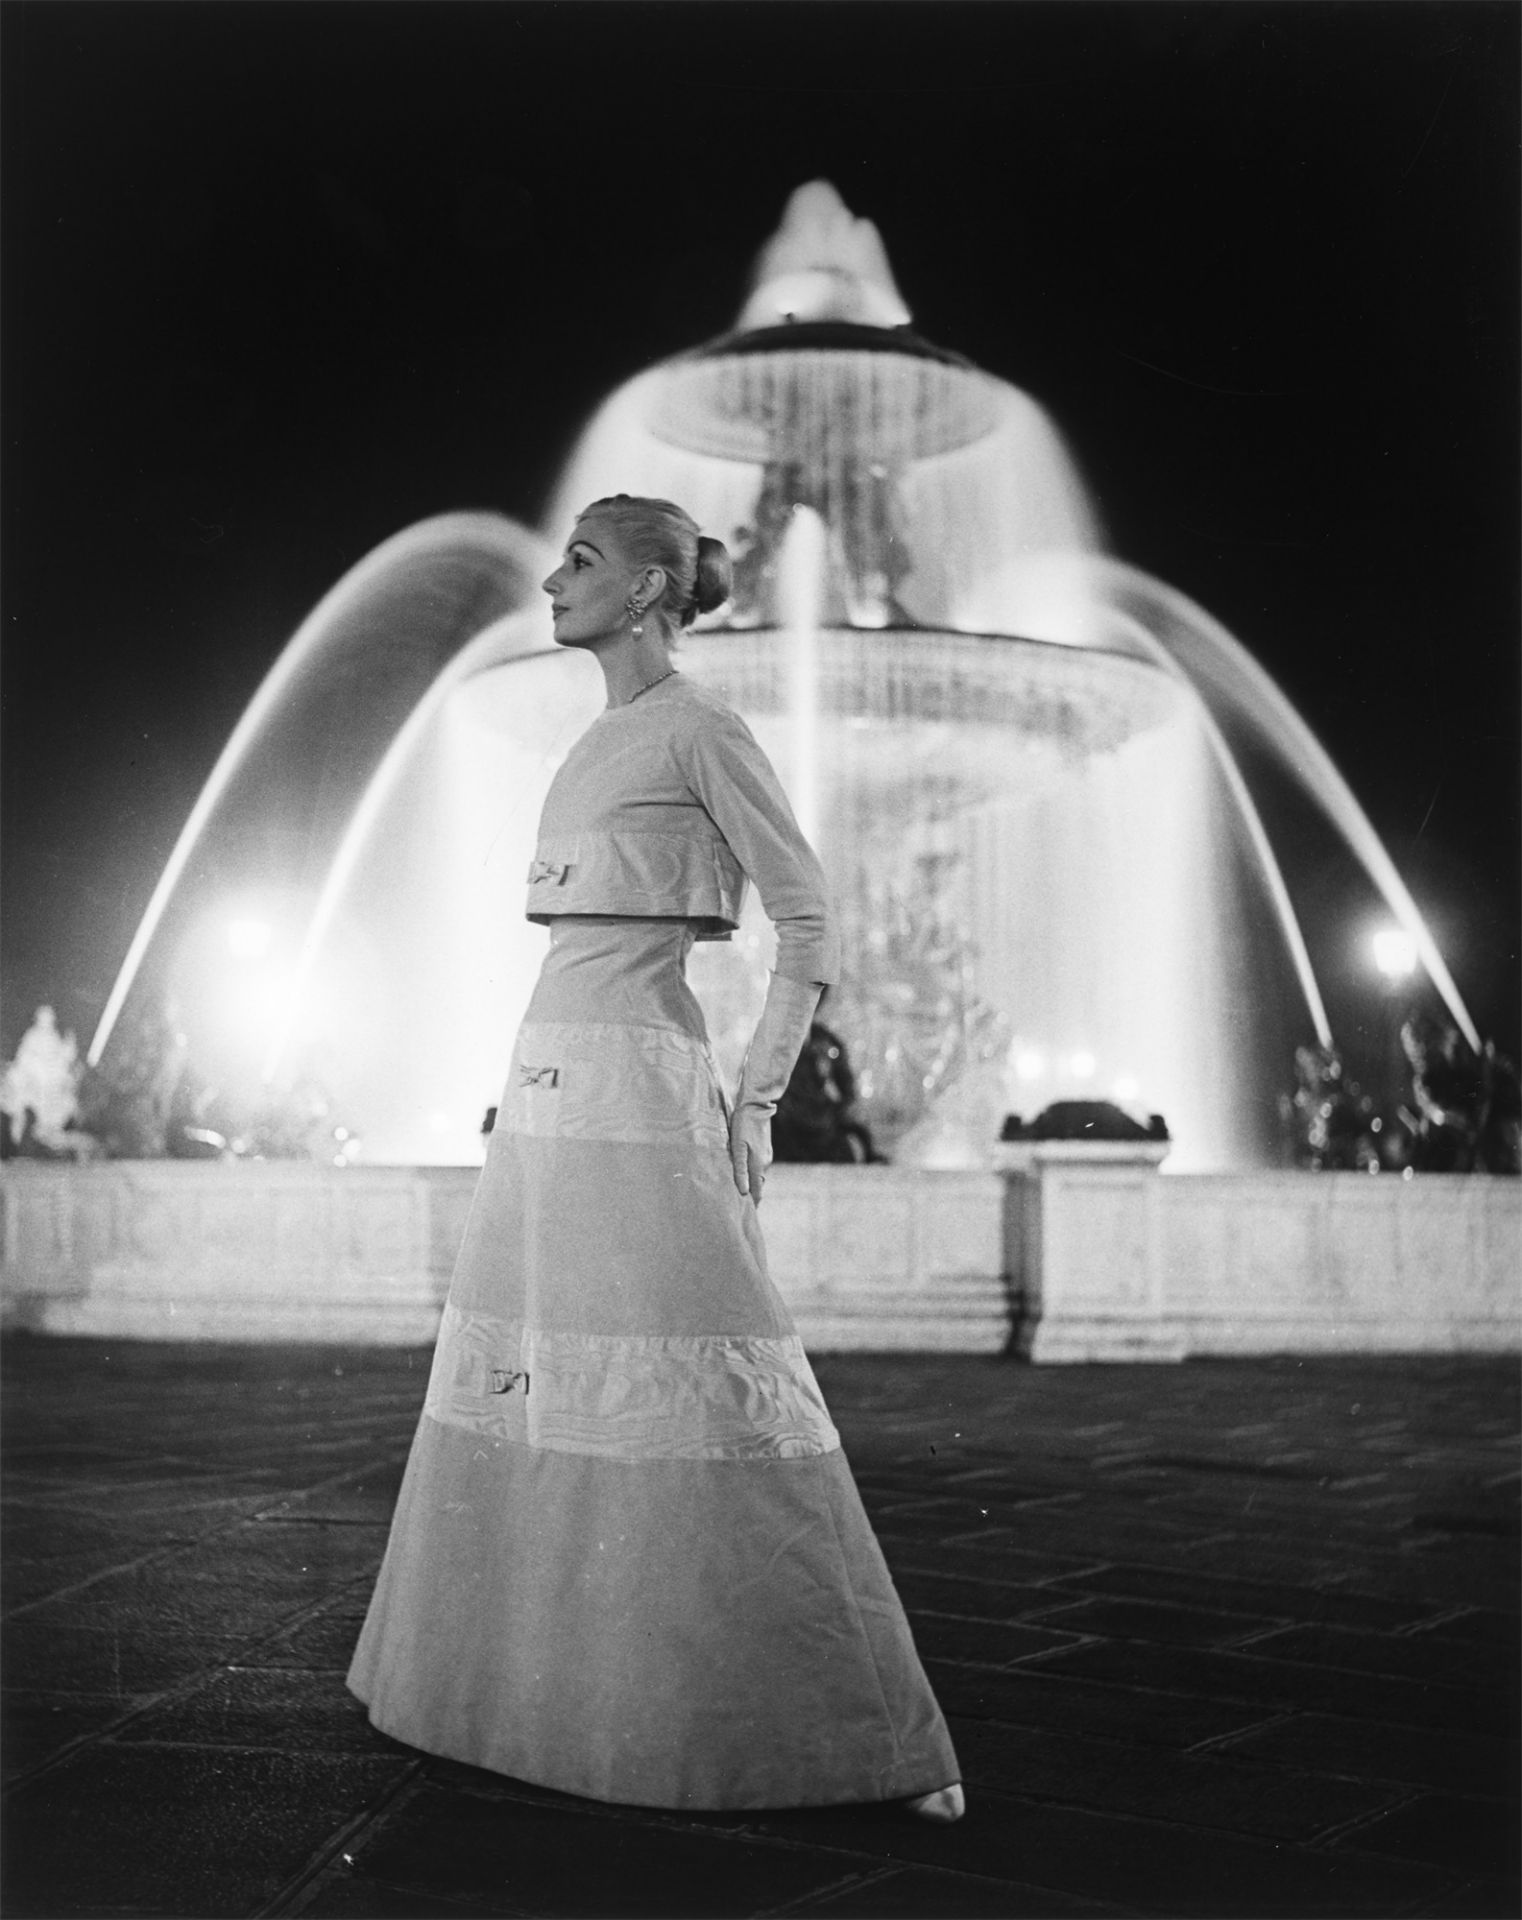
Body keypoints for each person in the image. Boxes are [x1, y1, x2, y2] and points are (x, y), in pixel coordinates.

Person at [348, 495, 963, 1820]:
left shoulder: (699, 726)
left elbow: (808, 927)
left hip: (644, 1078)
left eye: (581, 560)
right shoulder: (596, 736)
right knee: (538, 1370)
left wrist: (753, 1103)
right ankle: (521, 1702)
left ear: (646, 591)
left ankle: (857, 1731)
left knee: (710, 1379)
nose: (552, 578)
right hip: (551, 1075)